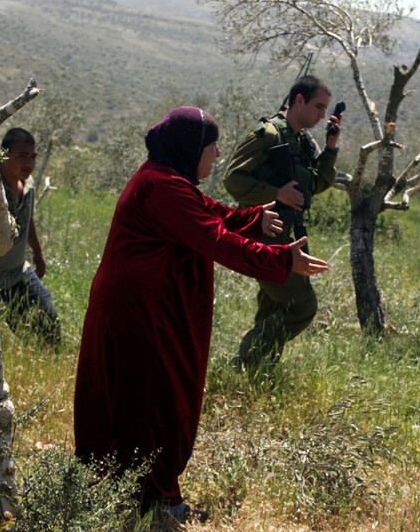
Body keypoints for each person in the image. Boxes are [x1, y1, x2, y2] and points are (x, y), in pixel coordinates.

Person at [73, 107, 328, 524]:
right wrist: (282, 262)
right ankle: (156, 504)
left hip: (144, 306)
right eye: (212, 146)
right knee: (154, 400)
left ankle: (134, 497)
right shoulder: (162, 188)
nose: (218, 153)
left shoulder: (166, 178)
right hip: (143, 313)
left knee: (143, 398)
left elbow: (209, 213)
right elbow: (213, 239)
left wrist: (251, 218)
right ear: (191, 148)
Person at [224, 74, 341, 372]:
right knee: (302, 306)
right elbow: (233, 178)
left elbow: (317, 185)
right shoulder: (269, 134)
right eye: (317, 106)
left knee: (273, 307)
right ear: (298, 100)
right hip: (261, 235)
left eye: (325, 109)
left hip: (285, 236)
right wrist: (277, 194)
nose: (321, 114)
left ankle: (257, 373)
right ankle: (242, 363)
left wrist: (330, 148)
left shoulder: (302, 141)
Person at [0, 127, 61, 346]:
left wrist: (38, 253)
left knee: (49, 324)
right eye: (22, 156)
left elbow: (27, 220)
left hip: (19, 273)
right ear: (5, 156)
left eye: (33, 157)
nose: (29, 163)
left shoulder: (28, 186)